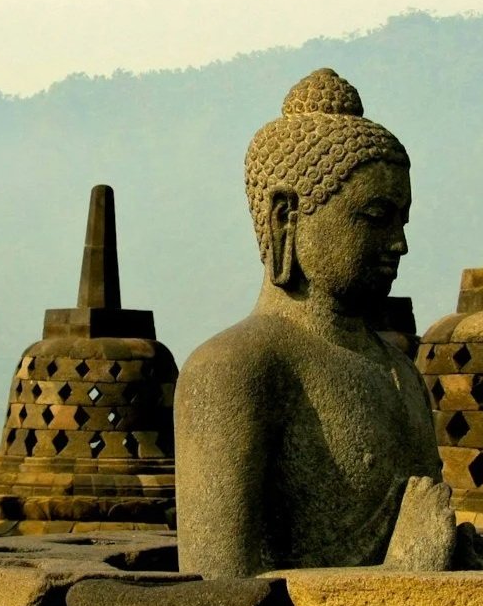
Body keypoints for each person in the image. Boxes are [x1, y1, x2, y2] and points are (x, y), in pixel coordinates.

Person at [175, 68, 466, 578]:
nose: (399, 244)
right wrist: (403, 570)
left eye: (403, 220)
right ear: (286, 215)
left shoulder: (399, 374)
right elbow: (214, 598)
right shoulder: (234, 370)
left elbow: (432, 543)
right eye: (375, 217)